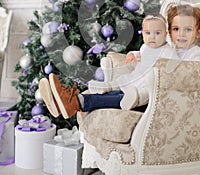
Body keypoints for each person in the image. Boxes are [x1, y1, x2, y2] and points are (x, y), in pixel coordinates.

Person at [39, 14, 179, 118]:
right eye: (148, 33)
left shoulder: (169, 52)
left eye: (158, 33)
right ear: (143, 35)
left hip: (142, 96)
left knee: (110, 99)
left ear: (166, 34)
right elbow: (141, 54)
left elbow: (176, 67)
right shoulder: (145, 47)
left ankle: (75, 102)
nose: (152, 37)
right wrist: (132, 54)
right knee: (107, 92)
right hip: (130, 86)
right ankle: (61, 103)